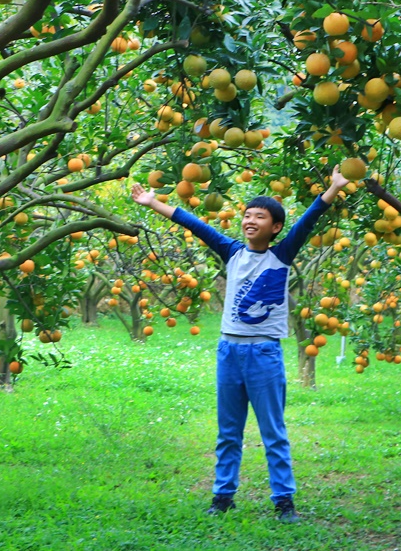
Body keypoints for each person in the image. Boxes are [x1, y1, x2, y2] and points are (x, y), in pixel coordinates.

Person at [130, 166, 352, 522]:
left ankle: (284, 501)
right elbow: (196, 225)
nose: (250, 221)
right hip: (229, 350)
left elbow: (308, 221)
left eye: (259, 217)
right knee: (228, 431)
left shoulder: (280, 255)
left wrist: (334, 188)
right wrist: (152, 202)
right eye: (247, 216)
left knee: (273, 432)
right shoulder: (232, 252)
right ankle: (223, 496)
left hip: (264, 352)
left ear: (275, 227)